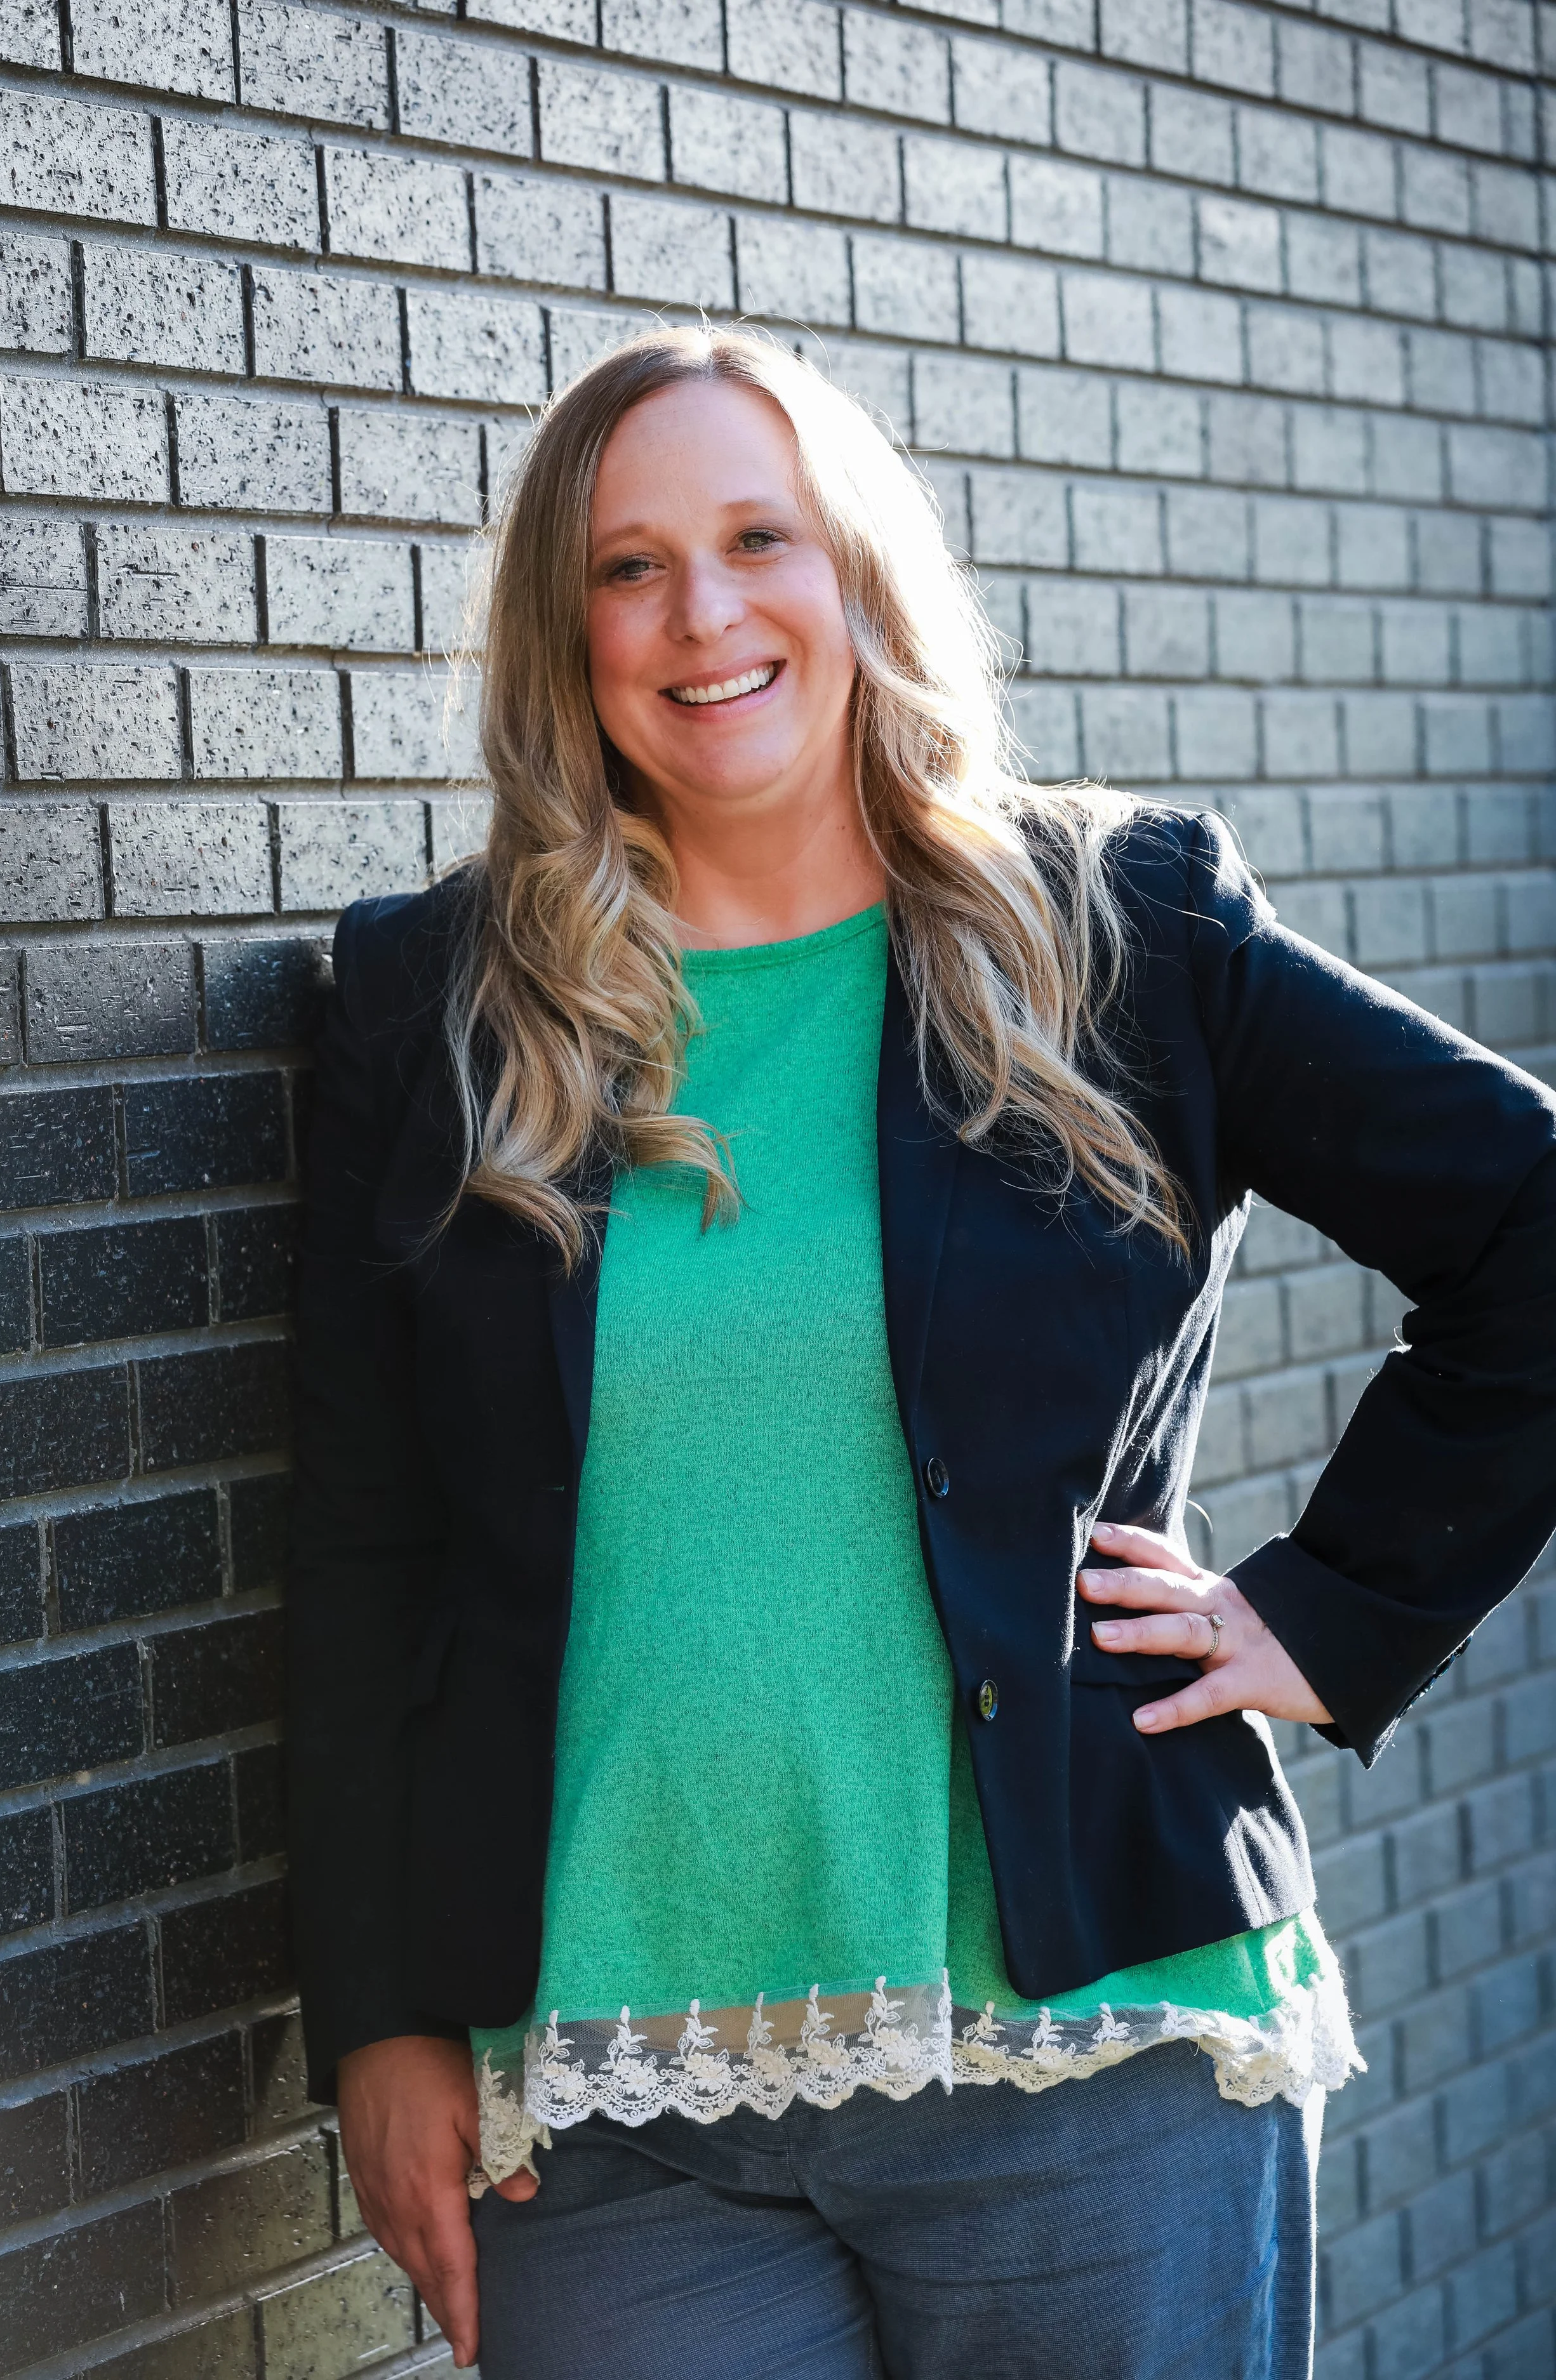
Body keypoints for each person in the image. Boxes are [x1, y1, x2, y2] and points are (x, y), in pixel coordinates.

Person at [286, 326, 1556, 2380]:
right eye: (628, 566)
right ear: (564, 625)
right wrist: (375, 2014)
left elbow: (1528, 1219)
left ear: (858, 574)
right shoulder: (431, 1006)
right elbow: (358, 1546)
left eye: (757, 537)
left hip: (1090, 2057)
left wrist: (1329, 1613)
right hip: (616, 2113)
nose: (703, 615)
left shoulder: (1111, 928)